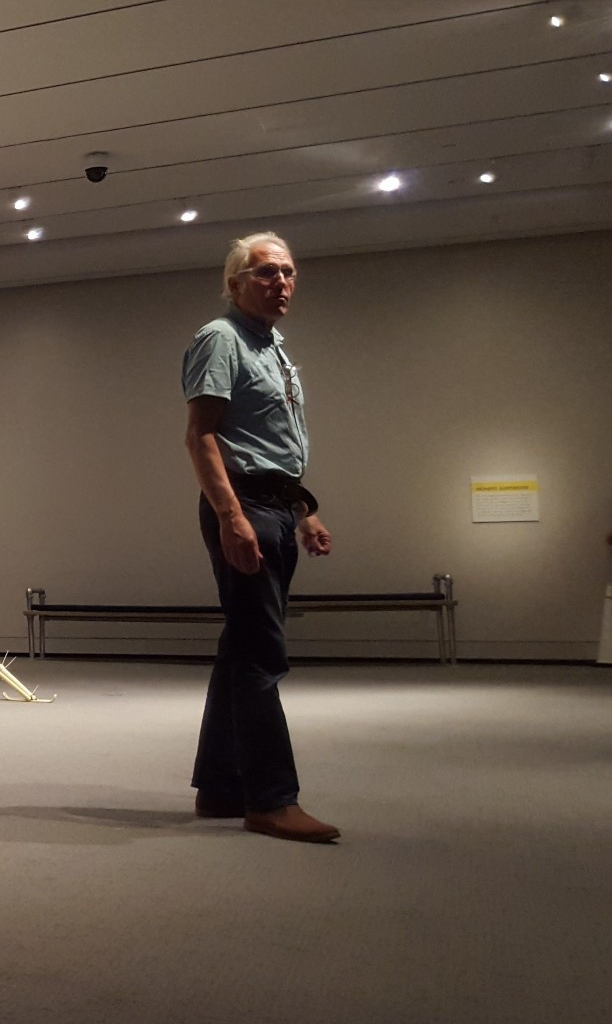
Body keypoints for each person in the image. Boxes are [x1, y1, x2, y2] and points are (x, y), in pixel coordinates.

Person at [181, 232, 339, 843]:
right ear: (235, 282)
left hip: (272, 506)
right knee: (260, 654)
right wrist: (231, 516)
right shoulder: (220, 339)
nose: (282, 283)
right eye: (267, 272)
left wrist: (302, 509)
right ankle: (272, 799)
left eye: (289, 272)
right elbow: (202, 437)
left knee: (240, 647)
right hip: (243, 507)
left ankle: (221, 787)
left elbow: (272, 449)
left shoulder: (272, 346)